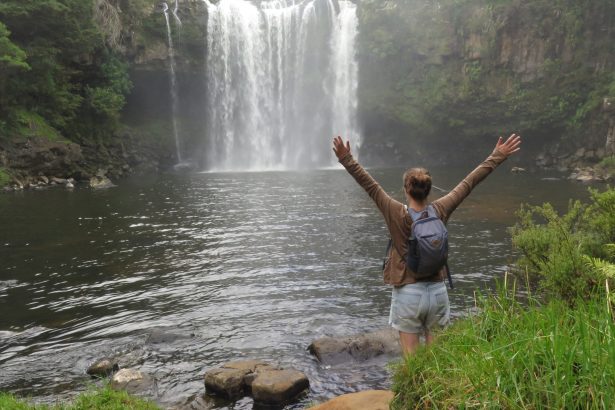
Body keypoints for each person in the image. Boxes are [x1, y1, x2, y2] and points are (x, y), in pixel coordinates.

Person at [332, 134, 522, 354]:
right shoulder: (441, 209)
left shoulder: (394, 211)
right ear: (429, 190)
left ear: (406, 189)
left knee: (412, 363)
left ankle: (412, 388)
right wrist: (497, 155)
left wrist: (346, 158)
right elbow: (469, 183)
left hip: (408, 293)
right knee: (437, 363)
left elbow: (369, 185)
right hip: (438, 292)